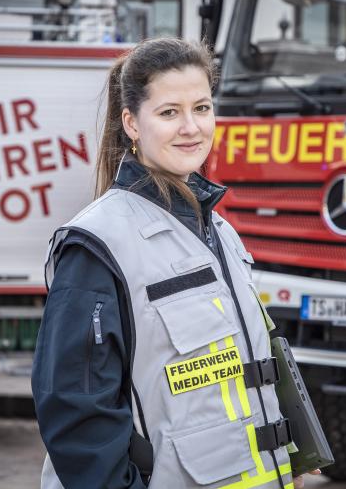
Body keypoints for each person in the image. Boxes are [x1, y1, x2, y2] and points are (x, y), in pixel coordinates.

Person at [32, 37, 320, 489]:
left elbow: (250, 359)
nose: (191, 127)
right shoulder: (96, 245)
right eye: (169, 113)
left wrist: (291, 451)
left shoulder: (219, 231)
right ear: (132, 122)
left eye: (202, 108)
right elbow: (76, 413)